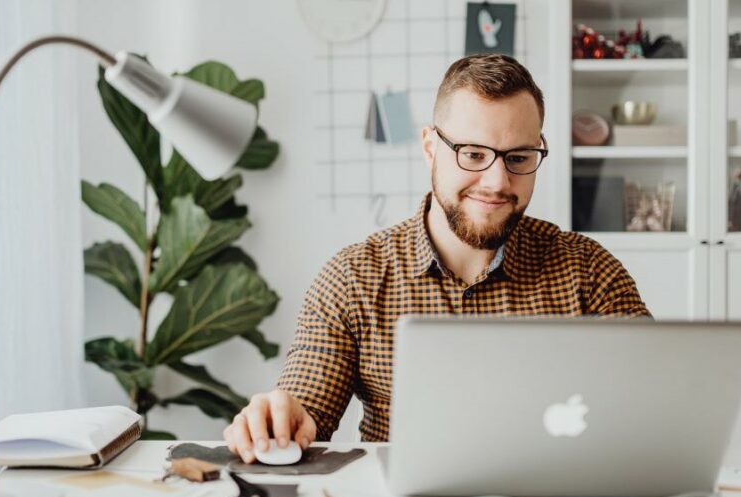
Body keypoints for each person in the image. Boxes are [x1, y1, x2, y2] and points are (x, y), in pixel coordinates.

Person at [224, 54, 650, 463]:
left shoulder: (590, 272)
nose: (497, 182)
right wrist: (279, 420)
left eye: (519, 158)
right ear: (430, 147)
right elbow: (305, 409)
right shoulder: (354, 278)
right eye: (473, 154)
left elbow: (657, 404)